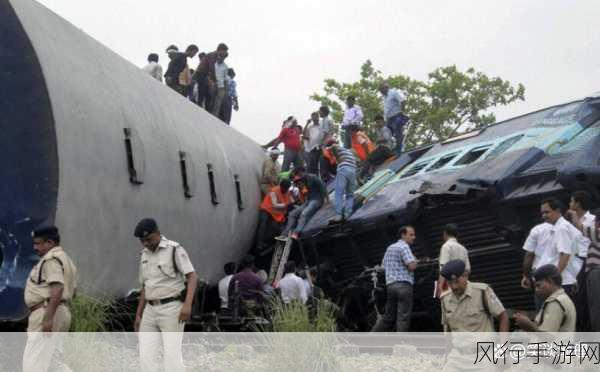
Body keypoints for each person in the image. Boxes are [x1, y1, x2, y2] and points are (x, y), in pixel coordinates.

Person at [134, 218, 198, 372]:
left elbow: (192, 276)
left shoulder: (174, 249)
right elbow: (145, 286)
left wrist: (187, 306)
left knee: (172, 356)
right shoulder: (144, 255)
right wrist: (138, 315)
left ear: (158, 233)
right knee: (145, 355)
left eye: (148, 239)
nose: (146, 244)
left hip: (172, 309)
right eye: (142, 241)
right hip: (150, 309)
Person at [22, 226, 77, 372]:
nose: (35, 247)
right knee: (53, 363)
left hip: (46, 313)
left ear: (50, 242)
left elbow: (57, 288)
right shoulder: (66, 259)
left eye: (38, 243)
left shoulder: (51, 260)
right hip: (59, 312)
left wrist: (48, 319)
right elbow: (73, 290)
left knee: (32, 365)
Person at [521, 198, 581, 310]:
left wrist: (554, 279)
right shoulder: (564, 226)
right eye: (542, 213)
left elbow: (565, 254)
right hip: (561, 281)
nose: (544, 216)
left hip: (554, 283)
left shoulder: (561, 228)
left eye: (547, 212)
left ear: (557, 210)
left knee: (547, 320)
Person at [440, 259, 509, 332]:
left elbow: (503, 317)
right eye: (450, 283)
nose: (454, 287)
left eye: (457, 281)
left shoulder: (482, 292)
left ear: (466, 275)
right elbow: (447, 327)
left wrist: (502, 343)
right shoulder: (445, 299)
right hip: (458, 343)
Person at [371, 226, 418, 332]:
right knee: (403, 318)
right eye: (411, 235)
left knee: (388, 317)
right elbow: (412, 266)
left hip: (391, 286)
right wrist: (416, 261)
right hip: (403, 286)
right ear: (403, 235)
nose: (414, 237)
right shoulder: (404, 247)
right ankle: (401, 343)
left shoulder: (390, 248)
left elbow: (383, 268)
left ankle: (372, 337)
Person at [566, 190, 599, 331]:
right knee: (579, 301)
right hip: (576, 264)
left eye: (571, 201)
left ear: (578, 203)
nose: (569, 204)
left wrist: (576, 222)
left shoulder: (593, 219)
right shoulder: (568, 224)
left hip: (589, 262)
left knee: (592, 301)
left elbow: (594, 235)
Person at [514, 264, 576, 332]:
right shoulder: (561, 298)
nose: (536, 290)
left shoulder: (555, 302)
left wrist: (528, 326)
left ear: (550, 281)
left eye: (538, 285)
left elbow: (548, 337)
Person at [276, 171, 329, 240]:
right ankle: (285, 234)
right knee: (292, 214)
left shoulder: (313, 177)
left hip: (317, 200)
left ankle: (296, 232)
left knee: (304, 214)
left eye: (298, 182)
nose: (298, 185)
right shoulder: (303, 180)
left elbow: (323, 186)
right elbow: (302, 193)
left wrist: (327, 200)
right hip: (309, 200)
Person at [255, 178, 294, 253]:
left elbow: (292, 201)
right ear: (281, 186)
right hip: (266, 209)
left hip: (275, 213)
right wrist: (287, 204)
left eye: (286, 189)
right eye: (283, 188)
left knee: (275, 227)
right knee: (262, 225)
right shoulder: (274, 191)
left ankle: (272, 242)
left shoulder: (288, 192)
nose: (284, 190)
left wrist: (292, 200)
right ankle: (259, 245)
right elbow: (275, 204)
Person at [326, 140, 357, 223]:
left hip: (343, 169)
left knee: (338, 193)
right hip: (353, 171)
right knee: (350, 195)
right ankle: (347, 214)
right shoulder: (348, 151)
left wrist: (327, 147)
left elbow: (332, 147)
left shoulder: (336, 147)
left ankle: (338, 215)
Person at [436, 223, 471, 298]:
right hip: (463, 285)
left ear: (445, 234)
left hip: (450, 285)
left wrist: (440, 287)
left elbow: (443, 268)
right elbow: (467, 270)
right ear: (457, 235)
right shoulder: (463, 248)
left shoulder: (446, 246)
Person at [193, 43, 229, 112]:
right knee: (202, 93)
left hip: (206, 76)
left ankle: (205, 111)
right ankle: (198, 109)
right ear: (220, 50)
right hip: (202, 74)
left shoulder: (215, 56)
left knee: (208, 95)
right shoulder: (213, 55)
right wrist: (215, 80)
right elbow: (212, 68)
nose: (225, 53)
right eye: (224, 51)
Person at [359, 114, 396, 179]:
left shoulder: (385, 129)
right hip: (384, 150)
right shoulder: (379, 130)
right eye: (376, 122)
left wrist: (377, 141)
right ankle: (371, 176)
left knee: (368, 158)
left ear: (383, 121)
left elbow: (386, 138)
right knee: (374, 163)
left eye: (378, 122)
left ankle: (361, 176)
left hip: (384, 149)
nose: (377, 124)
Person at [379, 82, 409, 154]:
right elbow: (387, 108)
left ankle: (399, 149)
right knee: (388, 134)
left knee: (398, 132)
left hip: (396, 115)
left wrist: (402, 112)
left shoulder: (394, 92)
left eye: (381, 90)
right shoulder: (384, 97)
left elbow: (403, 101)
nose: (381, 92)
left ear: (385, 88)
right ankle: (393, 148)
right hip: (389, 118)